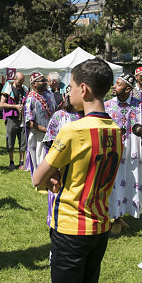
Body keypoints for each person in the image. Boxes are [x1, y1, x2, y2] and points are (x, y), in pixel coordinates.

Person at [32, 58, 123, 283]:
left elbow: (37, 178)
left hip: (71, 228)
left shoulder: (73, 129)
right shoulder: (115, 129)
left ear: (83, 89)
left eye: (70, 87)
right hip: (100, 225)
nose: (68, 92)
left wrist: (52, 176)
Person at [104, 73, 142, 234]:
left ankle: (121, 215)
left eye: (118, 84)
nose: (114, 86)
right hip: (113, 150)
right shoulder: (106, 106)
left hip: (134, 151)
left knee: (131, 180)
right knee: (113, 182)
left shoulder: (141, 106)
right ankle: (113, 216)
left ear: (128, 89)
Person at [42, 96, 83, 227]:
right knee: (58, 191)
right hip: (60, 163)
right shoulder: (59, 115)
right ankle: (56, 221)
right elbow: (49, 142)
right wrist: (52, 169)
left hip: (79, 164)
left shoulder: (86, 116)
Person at [24, 72, 57, 175]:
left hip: (51, 134)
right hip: (38, 136)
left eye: (45, 80)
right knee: (40, 160)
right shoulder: (31, 99)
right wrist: (46, 130)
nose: (45, 83)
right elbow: (30, 122)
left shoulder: (49, 95)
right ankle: (41, 183)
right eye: (42, 81)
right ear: (34, 84)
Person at [0, 72, 28, 170]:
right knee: (10, 140)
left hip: (22, 118)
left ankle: (22, 161)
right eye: (20, 81)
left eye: (23, 81)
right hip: (11, 118)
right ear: (15, 79)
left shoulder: (24, 90)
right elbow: (2, 104)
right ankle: (11, 161)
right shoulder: (8, 88)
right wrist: (15, 106)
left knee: (23, 140)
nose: (21, 83)